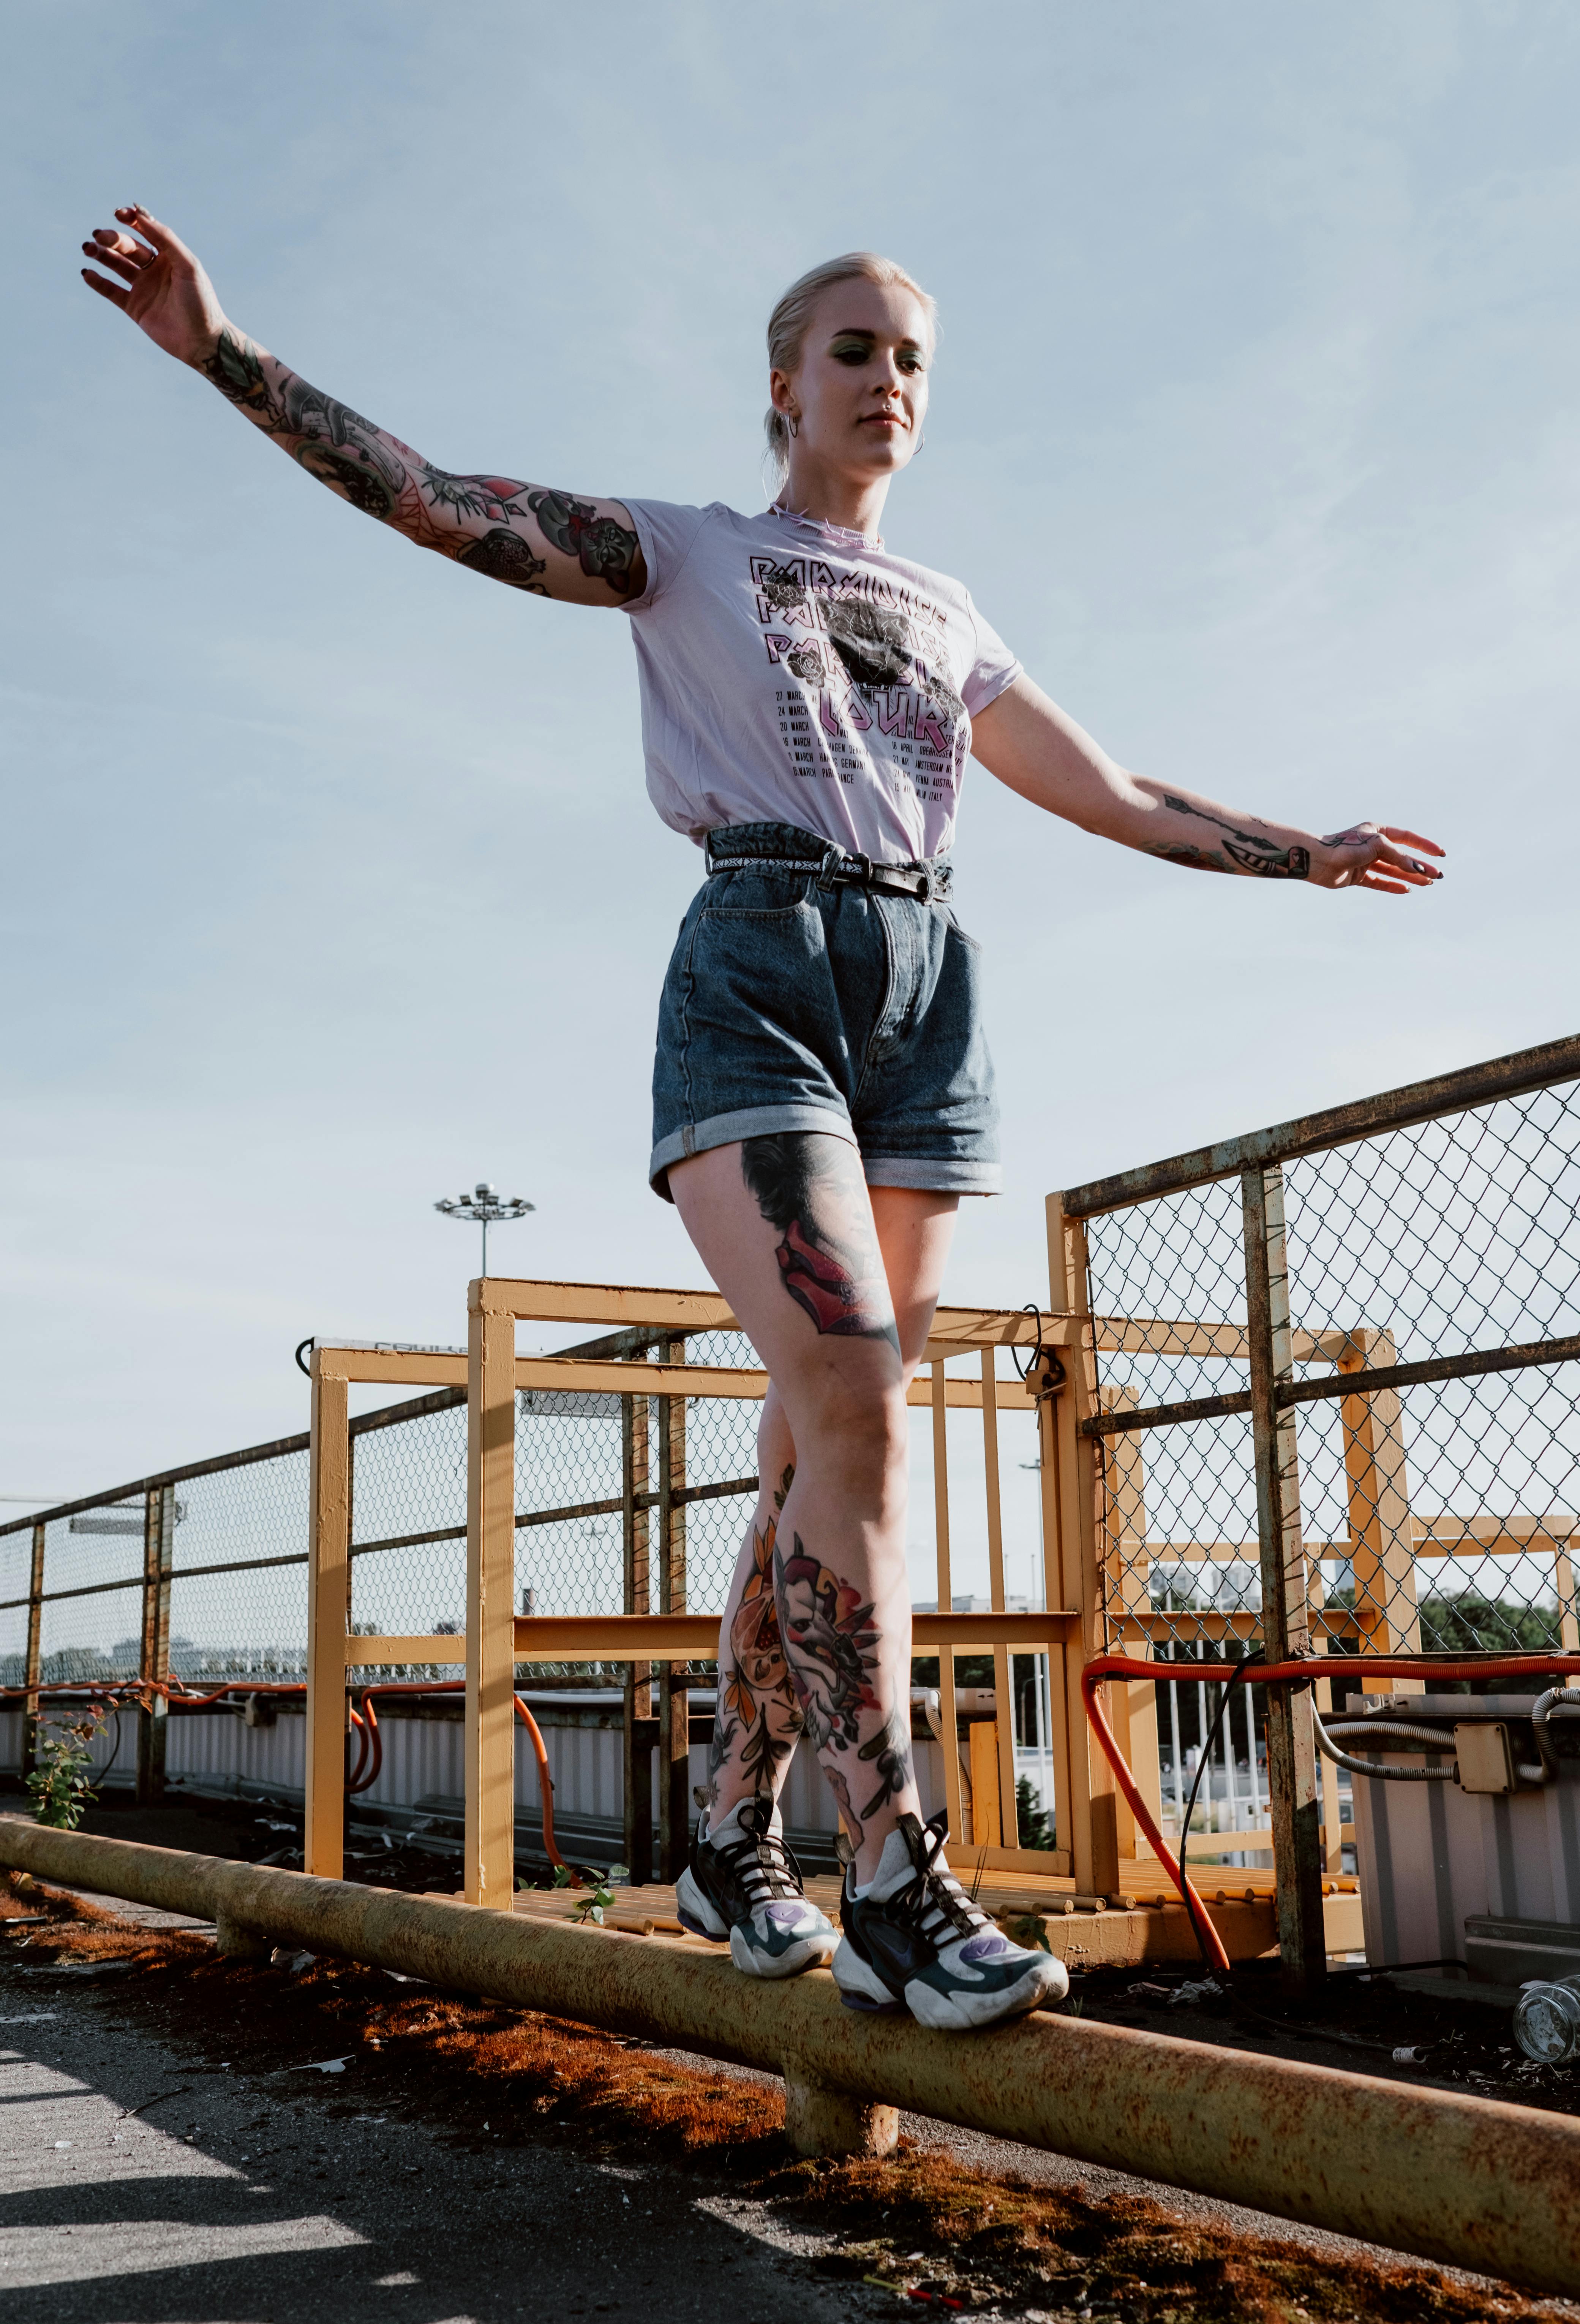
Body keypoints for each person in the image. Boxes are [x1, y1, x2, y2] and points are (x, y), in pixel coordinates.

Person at [82, 210, 1444, 2032]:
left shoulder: (946, 613)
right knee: (858, 1397)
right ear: (783, 386)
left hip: (925, 996)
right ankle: (890, 1862)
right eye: (856, 351)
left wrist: (1300, 851)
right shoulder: (686, 554)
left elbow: (1105, 788)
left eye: (913, 363)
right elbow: (429, 495)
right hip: (759, 959)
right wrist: (224, 350)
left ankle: (729, 1827)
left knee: (819, 1447)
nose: (889, 383)